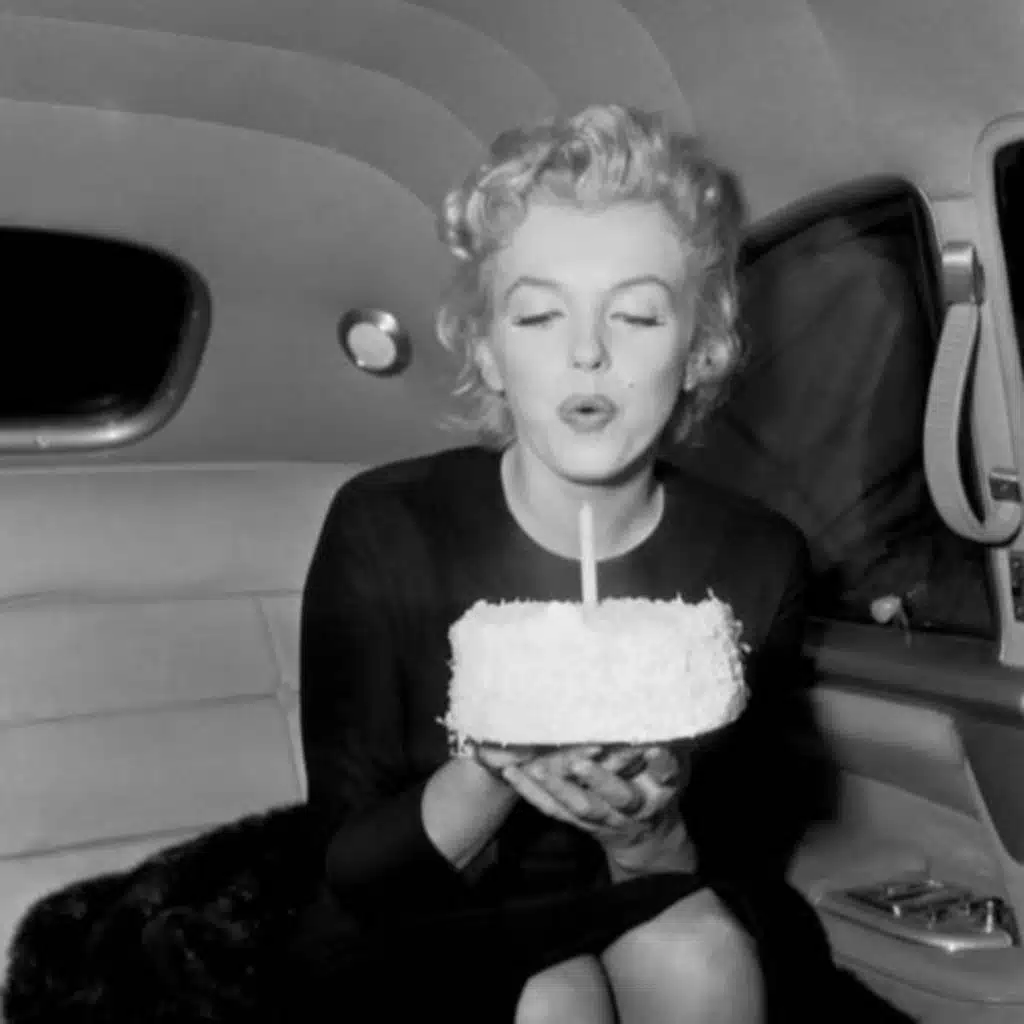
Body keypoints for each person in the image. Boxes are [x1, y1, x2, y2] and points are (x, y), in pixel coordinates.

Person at [282, 104, 852, 1023]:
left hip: (647, 888)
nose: (588, 352)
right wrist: (494, 762)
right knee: (557, 998)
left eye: (636, 314)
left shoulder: (756, 557)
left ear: (699, 350)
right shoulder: (387, 525)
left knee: (701, 959)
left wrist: (645, 830)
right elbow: (353, 867)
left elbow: (746, 849)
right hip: (429, 907)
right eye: (540, 315)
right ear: (488, 352)